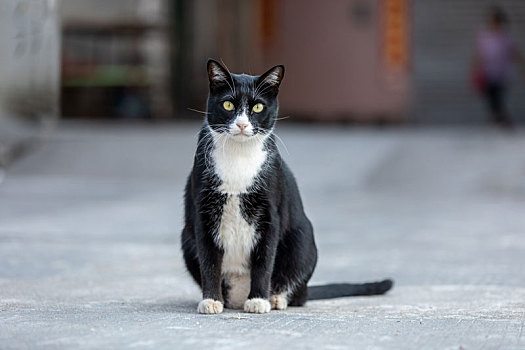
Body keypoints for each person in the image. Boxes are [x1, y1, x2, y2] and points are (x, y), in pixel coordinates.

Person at [473, 6, 524, 127]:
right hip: (488, 73)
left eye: (495, 21)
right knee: (492, 98)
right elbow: (479, 55)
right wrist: (475, 69)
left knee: (498, 97)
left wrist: (522, 67)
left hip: (502, 73)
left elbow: (515, 54)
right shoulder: (484, 37)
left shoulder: (506, 38)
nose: (493, 24)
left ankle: (501, 119)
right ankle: (500, 118)